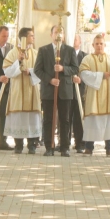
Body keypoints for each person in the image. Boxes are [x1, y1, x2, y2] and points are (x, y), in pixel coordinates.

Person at [34, 25, 80, 156]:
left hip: (65, 90)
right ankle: (49, 147)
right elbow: (37, 70)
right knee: (48, 119)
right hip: (49, 91)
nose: (58, 35)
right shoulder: (43, 50)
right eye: (55, 32)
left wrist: (63, 69)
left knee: (65, 120)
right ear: (51, 35)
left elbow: (75, 68)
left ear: (64, 36)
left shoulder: (70, 50)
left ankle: (64, 147)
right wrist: (50, 80)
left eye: (61, 33)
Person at [78, 34, 110, 156]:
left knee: (108, 121)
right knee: (91, 121)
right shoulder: (87, 59)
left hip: (109, 96)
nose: (99, 46)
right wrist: (101, 75)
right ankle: (89, 148)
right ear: (93, 45)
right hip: (93, 96)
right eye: (97, 44)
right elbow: (83, 74)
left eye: (101, 44)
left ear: (105, 45)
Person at [2, 27, 43, 154]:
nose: (33, 38)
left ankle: (32, 145)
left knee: (32, 118)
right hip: (18, 91)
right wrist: (18, 61)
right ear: (24, 38)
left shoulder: (36, 53)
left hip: (32, 91)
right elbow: (7, 72)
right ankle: (18, 145)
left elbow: (42, 72)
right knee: (18, 118)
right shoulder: (13, 53)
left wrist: (30, 72)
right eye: (31, 35)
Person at [71, 34, 88, 152]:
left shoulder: (85, 56)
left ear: (80, 42)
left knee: (78, 117)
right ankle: (63, 142)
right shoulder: (65, 54)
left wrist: (81, 79)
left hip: (80, 91)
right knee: (65, 118)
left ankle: (80, 143)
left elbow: (87, 71)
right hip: (67, 90)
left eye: (75, 39)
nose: (73, 41)